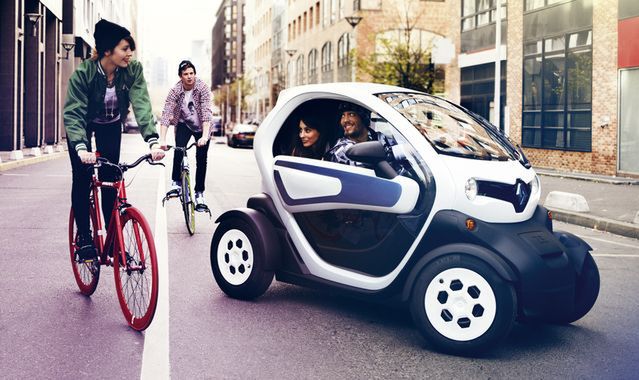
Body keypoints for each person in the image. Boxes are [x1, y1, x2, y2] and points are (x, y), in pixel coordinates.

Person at [64, 19, 164, 262]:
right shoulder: (83, 74)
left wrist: (152, 140)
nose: (130, 54)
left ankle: (112, 243)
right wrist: (80, 147)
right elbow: (74, 112)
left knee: (112, 179)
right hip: (83, 127)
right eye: (124, 48)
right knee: (83, 176)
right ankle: (85, 240)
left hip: (110, 126)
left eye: (131, 48)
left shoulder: (132, 70)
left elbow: (141, 102)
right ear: (108, 50)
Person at [158, 60, 213, 208]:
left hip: (202, 126)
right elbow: (166, 113)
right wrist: (162, 140)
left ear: (194, 74)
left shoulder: (202, 88)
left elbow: (207, 113)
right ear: (180, 76)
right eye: (185, 74)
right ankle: (176, 183)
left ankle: (199, 194)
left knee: (202, 159)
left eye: (191, 73)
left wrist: (204, 136)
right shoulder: (175, 90)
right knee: (179, 150)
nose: (189, 76)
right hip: (184, 124)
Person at [325, 102, 382, 166]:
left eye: (351, 114)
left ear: (364, 117)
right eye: (342, 116)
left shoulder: (381, 139)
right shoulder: (341, 151)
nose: (345, 120)